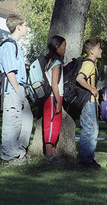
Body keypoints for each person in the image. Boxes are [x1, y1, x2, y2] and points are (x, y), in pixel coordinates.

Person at [0, 14, 33, 165]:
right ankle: (9, 156)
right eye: (25, 25)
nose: (27, 28)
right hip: (13, 89)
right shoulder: (9, 45)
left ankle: (19, 151)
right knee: (12, 121)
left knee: (26, 120)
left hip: (19, 88)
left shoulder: (16, 45)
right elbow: (9, 71)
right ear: (18, 27)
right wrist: (18, 89)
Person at [76, 39, 102, 169]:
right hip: (88, 102)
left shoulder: (93, 64)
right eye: (99, 48)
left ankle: (89, 158)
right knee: (89, 130)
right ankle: (84, 160)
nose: (101, 50)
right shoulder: (89, 64)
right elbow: (80, 78)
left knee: (93, 130)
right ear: (92, 51)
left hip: (92, 102)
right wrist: (91, 89)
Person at [43, 35, 66, 164]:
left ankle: (53, 152)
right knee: (51, 125)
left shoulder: (49, 60)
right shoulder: (56, 63)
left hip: (52, 96)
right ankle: (48, 154)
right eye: (63, 46)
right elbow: (54, 83)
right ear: (57, 47)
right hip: (53, 96)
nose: (65, 49)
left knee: (53, 125)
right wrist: (58, 101)